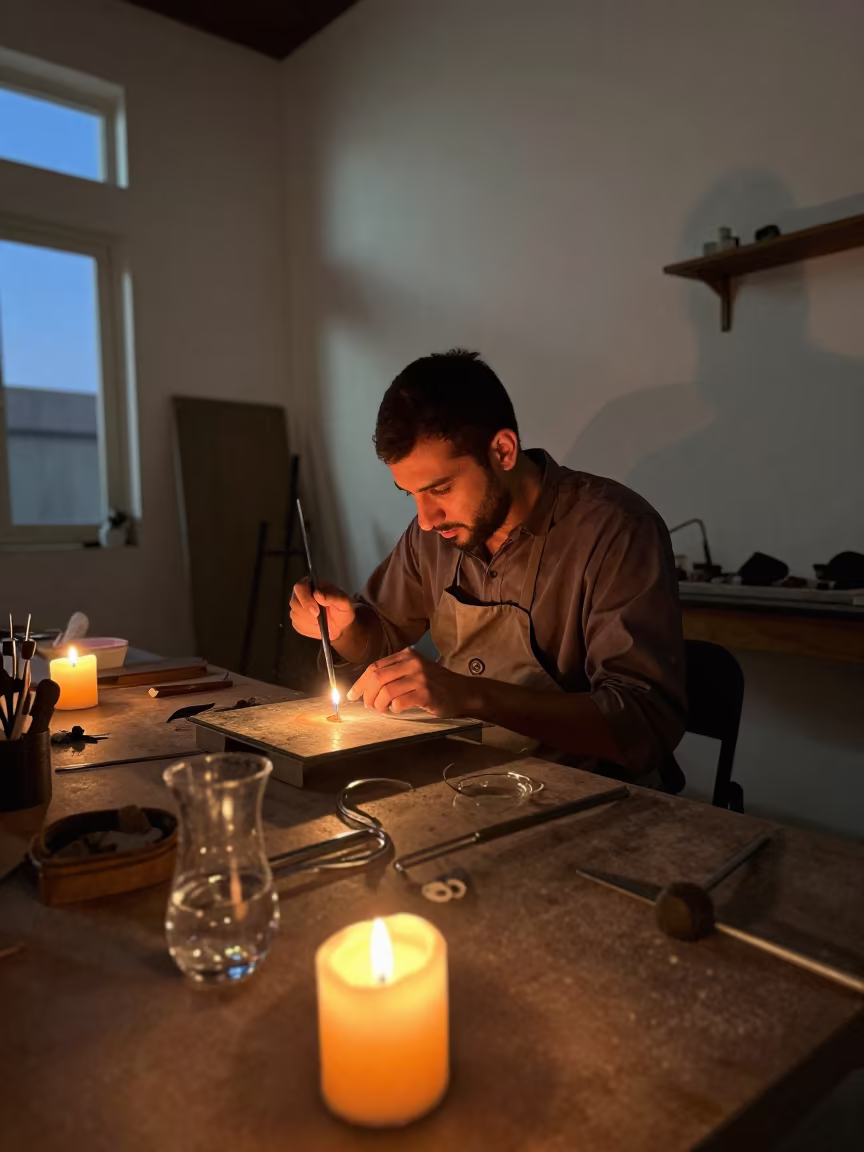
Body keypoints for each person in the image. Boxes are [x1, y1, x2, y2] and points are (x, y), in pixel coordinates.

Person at [291, 350, 686, 784]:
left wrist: (469, 695)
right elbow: (381, 633)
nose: (426, 519)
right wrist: (345, 626)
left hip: (591, 792)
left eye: (440, 488)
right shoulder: (433, 536)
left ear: (502, 450)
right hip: (467, 779)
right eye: (411, 495)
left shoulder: (616, 531)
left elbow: (644, 723)